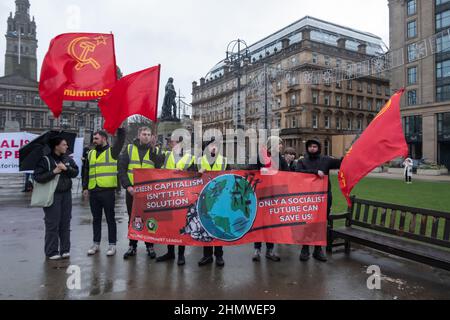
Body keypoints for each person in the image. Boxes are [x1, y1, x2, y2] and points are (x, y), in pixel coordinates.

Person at [118, 127, 165, 260]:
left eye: (149, 134)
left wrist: (153, 149)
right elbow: (121, 169)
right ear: (139, 135)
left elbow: (159, 166)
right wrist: (128, 186)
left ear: (152, 137)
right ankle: (132, 246)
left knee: (150, 219)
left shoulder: (154, 150)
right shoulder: (129, 149)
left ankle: (149, 246)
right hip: (132, 191)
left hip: (148, 193)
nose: (146, 137)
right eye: (144, 134)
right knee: (132, 218)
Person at [296, 139, 342, 262]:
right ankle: (305, 248)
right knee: (307, 222)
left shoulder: (325, 160)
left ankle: (318, 249)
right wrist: (315, 172)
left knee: (321, 222)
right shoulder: (302, 161)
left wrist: (351, 153)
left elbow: (341, 163)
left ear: (319, 148)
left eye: (315, 146)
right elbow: (298, 173)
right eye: (310, 146)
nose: (312, 148)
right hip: (308, 197)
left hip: (324, 196)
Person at [33, 137, 79, 260]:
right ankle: (51, 251)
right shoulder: (45, 160)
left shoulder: (67, 158)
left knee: (66, 222)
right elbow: (37, 177)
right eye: (64, 144)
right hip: (52, 194)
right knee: (52, 223)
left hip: (66, 194)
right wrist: (54, 171)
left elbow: (75, 172)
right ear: (56, 146)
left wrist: (67, 168)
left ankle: (65, 250)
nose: (66, 147)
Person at [82, 129, 125, 257]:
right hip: (93, 191)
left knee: (110, 219)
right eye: (93, 138)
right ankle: (96, 244)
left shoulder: (112, 152)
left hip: (107, 191)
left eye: (96, 138)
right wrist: (85, 187)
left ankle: (112, 245)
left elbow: (121, 141)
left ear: (104, 139)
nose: (93, 141)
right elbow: (86, 171)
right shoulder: (90, 153)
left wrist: (119, 128)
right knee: (96, 219)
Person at [156, 135, 196, 266]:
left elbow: (195, 175)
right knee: (169, 225)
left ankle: (181, 255)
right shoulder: (167, 155)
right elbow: (158, 166)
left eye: (171, 141)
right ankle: (170, 252)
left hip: (183, 195)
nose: (169, 143)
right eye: (168, 141)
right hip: (169, 194)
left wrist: (183, 172)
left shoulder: (190, 157)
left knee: (181, 225)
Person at [252, 136, 289, 263]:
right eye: (279, 144)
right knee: (259, 223)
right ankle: (257, 249)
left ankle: (270, 249)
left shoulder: (281, 159)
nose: (281, 146)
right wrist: (261, 171)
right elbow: (251, 170)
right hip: (261, 195)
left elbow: (289, 174)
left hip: (274, 196)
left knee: (271, 224)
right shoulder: (260, 157)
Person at [197, 137, 229, 268]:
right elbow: (191, 178)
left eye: (216, 146)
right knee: (205, 226)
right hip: (203, 199)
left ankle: (219, 255)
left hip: (219, 199)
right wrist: (197, 173)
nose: (214, 148)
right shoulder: (199, 161)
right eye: (211, 146)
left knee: (219, 226)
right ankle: (207, 255)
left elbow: (230, 177)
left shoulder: (224, 161)